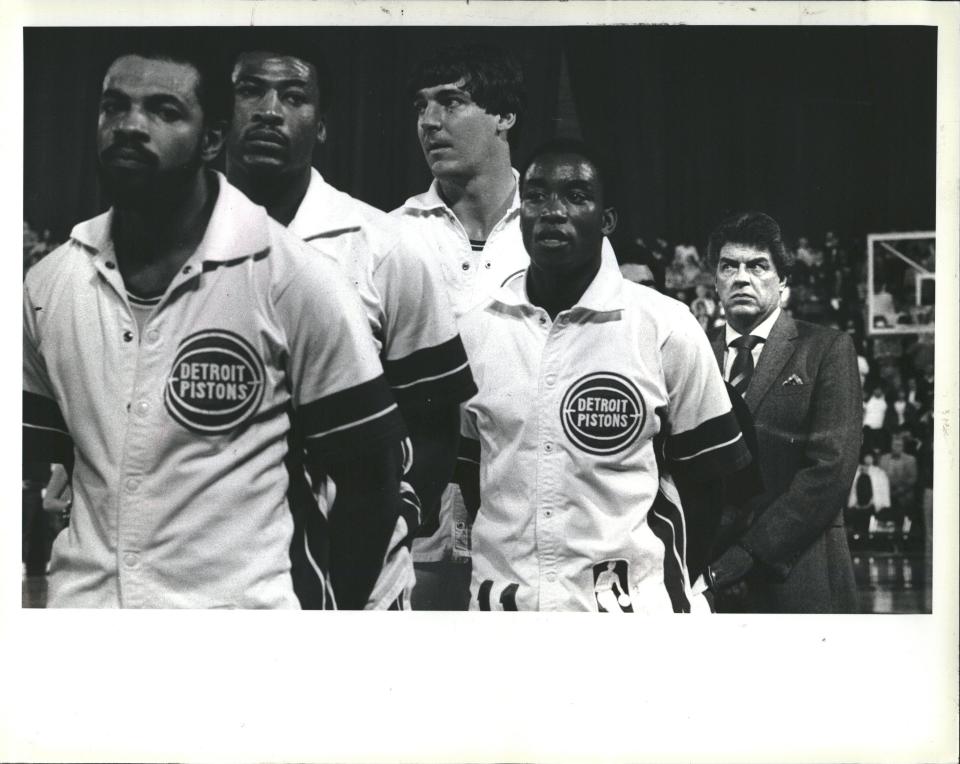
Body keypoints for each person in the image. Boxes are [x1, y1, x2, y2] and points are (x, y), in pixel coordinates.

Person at [22, 45, 406, 608]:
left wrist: (332, 626)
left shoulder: (291, 277)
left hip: (238, 636)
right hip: (89, 626)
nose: (131, 126)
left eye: (164, 111)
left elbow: (372, 481)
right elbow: (34, 460)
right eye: (114, 107)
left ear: (212, 140)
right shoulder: (51, 282)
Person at [224, 42, 475, 609]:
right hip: (214, 572)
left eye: (293, 96)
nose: (269, 110)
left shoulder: (385, 247)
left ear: (323, 127)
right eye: (250, 91)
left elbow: (435, 418)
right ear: (220, 117)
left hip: (359, 573)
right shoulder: (176, 249)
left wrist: (400, 518)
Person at [454, 139, 751, 612]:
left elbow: (710, 486)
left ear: (607, 220)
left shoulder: (666, 326)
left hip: (631, 618)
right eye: (536, 196)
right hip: (504, 619)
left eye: (575, 196)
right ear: (521, 215)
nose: (552, 211)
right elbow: (477, 477)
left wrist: (662, 585)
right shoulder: (475, 330)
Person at [705, 211, 862, 613]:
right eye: (729, 266)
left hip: (798, 574)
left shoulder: (826, 348)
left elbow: (830, 470)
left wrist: (747, 554)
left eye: (758, 266)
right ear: (715, 280)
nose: (742, 277)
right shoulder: (692, 351)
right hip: (706, 579)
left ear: (784, 281)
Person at [846, 450, 890, 544]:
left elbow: (883, 494)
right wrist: (855, 505)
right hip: (856, 507)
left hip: (873, 507)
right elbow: (850, 492)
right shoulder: (854, 472)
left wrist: (874, 504)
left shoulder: (879, 473)